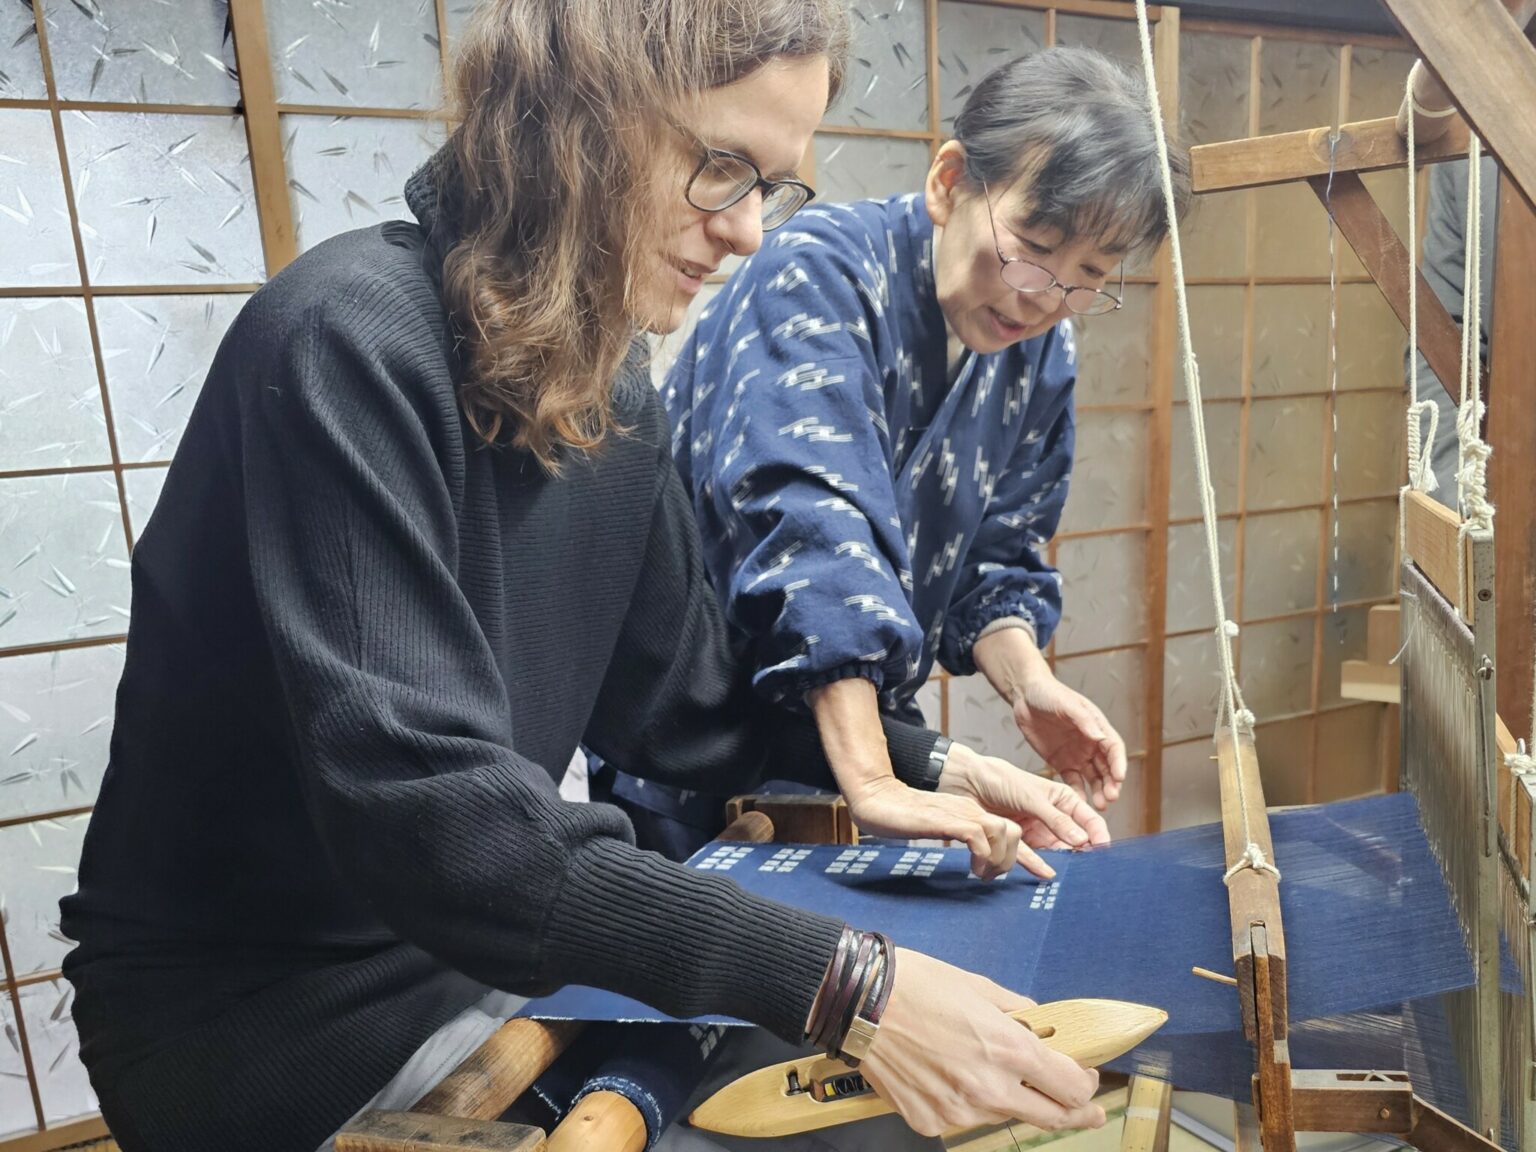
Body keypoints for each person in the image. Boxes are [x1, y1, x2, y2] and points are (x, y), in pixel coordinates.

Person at [57, 3, 1111, 1151]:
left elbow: (694, 713)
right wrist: (848, 987)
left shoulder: (615, 392)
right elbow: (434, 818)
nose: (751, 231)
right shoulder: (341, 344)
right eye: (723, 168)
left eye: (774, 186)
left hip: (465, 952)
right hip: (261, 1014)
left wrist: (937, 760)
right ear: (576, 122)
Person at [611, 47, 1189, 857]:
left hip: (859, 730)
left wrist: (1030, 684)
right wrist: (875, 779)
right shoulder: (815, 273)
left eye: (1089, 275)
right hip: (694, 729)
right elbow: (812, 518)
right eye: (1031, 244)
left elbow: (998, 558)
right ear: (950, 183)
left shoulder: (1040, 352)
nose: (1043, 296)